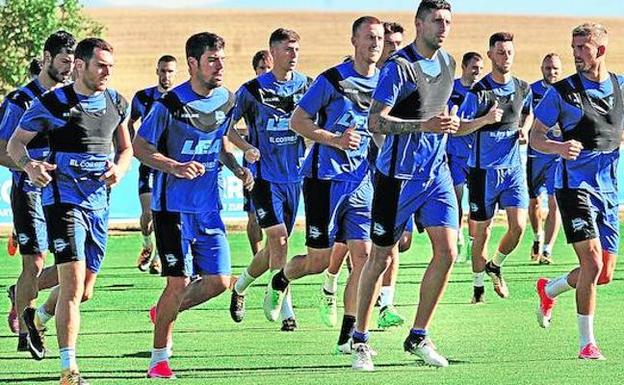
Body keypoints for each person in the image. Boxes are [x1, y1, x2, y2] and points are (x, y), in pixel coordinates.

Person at [9, 37, 133, 385]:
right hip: (63, 201)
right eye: (101, 65)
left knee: (85, 289)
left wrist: (120, 170)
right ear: (80, 65)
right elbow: (16, 143)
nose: (107, 71)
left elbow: (125, 149)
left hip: (99, 204)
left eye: (111, 65)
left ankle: (38, 318)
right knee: (73, 285)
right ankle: (69, 369)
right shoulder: (53, 103)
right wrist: (30, 166)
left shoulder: (116, 102)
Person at [133, 32, 253, 379]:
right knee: (177, 282)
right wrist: (174, 166)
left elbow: (219, 145)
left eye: (222, 60)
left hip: (209, 208)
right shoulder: (169, 105)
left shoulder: (227, 101)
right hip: (172, 208)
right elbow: (142, 147)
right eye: (212, 60)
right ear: (192, 64)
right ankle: (158, 359)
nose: (220, 67)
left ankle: (164, 312)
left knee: (219, 281)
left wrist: (237, 168)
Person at [262, 16, 383, 354]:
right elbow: (297, 121)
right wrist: (335, 139)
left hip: (361, 181)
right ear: (354, 41)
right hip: (323, 180)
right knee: (319, 262)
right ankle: (281, 278)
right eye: (369, 37)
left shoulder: (387, 83)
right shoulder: (332, 81)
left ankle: (349, 338)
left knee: (364, 256)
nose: (375, 44)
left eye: (379, 38)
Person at [352, 0, 460, 370]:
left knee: (448, 252)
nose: (443, 27)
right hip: (396, 177)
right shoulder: (399, 68)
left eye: (447, 21)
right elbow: (375, 122)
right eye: (436, 21)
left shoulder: (449, 63)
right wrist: (422, 126)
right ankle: (360, 340)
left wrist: (451, 122)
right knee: (379, 258)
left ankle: (418, 336)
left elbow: (442, 109)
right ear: (419, 24)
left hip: (436, 174)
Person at [532, 22, 622, 360]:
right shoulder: (562, 92)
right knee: (593, 262)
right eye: (573, 47)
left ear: (600, 50)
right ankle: (587, 344)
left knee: (604, 274)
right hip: (573, 187)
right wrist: (557, 146)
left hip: (609, 190)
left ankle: (549, 289)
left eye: (582, 48)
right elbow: (536, 135)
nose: (576, 54)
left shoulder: (620, 87)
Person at [320, 20, 408, 331]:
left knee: (384, 247)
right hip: (346, 172)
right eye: (389, 42)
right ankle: (328, 282)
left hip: (382, 174)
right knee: (336, 252)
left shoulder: (400, 80)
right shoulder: (351, 76)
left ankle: (382, 306)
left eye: (397, 43)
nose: (393, 48)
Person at [227, 29, 310, 331]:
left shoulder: (307, 86)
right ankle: (286, 309)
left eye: (297, 49)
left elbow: (318, 122)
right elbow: (227, 128)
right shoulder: (251, 90)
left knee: (274, 250)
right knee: (279, 239)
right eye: (288, 49)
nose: (294, 55)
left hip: (294, 177)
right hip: (264, 178)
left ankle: (239, 286)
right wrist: (246, 147)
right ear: (272, 53)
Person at [0, 31, 75, 350]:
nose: (69, 69)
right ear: (46, 59)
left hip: (66, 193)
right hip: (28, 190)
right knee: (34, 263)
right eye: (63, 62)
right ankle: (25, 333)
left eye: (73, 63)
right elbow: (2, 149)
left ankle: (19, 295)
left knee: (72, 265)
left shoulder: (74, 98)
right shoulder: (19, 100)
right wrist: (30, 166)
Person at [458, 32, 533, 303]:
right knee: (481, 232)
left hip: (513, 171)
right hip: (482, 172)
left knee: (519, 227)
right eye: (500, 52)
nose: (506, 57)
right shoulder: (478, 92)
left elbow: (528, 112)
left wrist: (524, 130)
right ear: (490, 55)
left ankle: (496, 264)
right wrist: (485, 119)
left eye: (510, 52)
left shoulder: (524, 88)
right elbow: (458, 129)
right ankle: (478, 287)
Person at [129, 55, 178, 274]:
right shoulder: (143, 97)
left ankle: (158, 258)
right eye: (163, 71)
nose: (166, 76)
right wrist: (132, 147)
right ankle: (147, 245)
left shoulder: (180, 99)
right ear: (157, 71)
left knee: (163, 213)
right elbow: (129, 123)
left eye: (170, 72)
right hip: (148, 163)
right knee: (147, 215)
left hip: (169, 164)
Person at [447, 52, 483, 263]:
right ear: (464, 66)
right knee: (457, 199)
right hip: (456, 155)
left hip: (477, 156)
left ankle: (472, 242)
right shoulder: (452, 89)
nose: (477, 72)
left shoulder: (483, 91)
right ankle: (457, 237)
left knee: (477, 203)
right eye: (474, 67)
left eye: (480, 68)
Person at [526, 53, 563, 264]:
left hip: (556, 155)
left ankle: (548, 250)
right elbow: (524, 115)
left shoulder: (566, 91)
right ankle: (537, 237)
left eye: (556, 68)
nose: (552, 72)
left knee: (554, 201)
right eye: (548, 68)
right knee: (534, 202)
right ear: (542, 68)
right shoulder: (532, 90)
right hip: (535, 155)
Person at [240, 50, 274, 256]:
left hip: (277, 165)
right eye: (262, 68)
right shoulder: (249, 94)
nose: (265, 72)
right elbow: (228, 125)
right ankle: (257, 256)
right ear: (255, 70)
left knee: (275, 219)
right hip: (253, 164)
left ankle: (271, 256)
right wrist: (245, 146)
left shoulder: (285, 93)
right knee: (253, 216)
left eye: (268, 68)